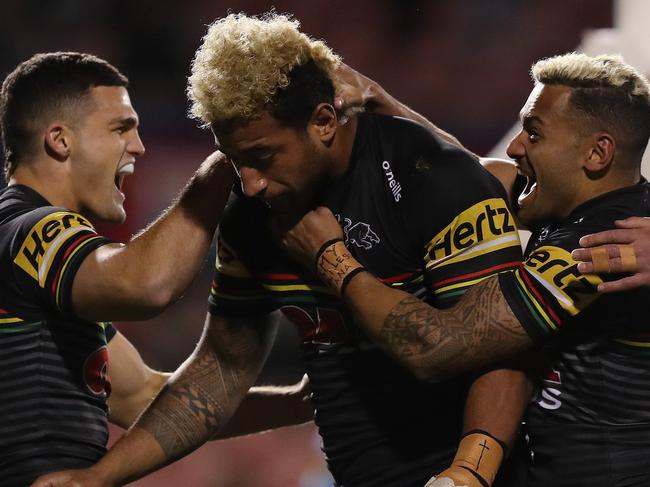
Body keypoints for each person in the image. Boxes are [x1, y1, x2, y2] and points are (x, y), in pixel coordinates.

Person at [31, 13, 529, 487]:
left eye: (262, 157)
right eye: (234, 160)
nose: (248, 183)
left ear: (323, 121)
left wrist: (467, 472)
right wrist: (102, 476)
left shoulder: (432, 179)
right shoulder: (252, 218)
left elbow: (496, 351)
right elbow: (222, 370)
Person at [281, 52, 650, 486]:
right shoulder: (578, 208)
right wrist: (382, 102)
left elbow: (442, 346)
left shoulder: (599, 250)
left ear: (596, 152)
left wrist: (333, 259)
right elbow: (468, 176)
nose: (514, 147)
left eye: (533, 133)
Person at [0, 51, 239, 485]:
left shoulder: (29, 264)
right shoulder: (32, 229)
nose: (138, 146)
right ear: (60, 139)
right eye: (120, 128)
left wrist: (308, 397)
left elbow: (151, 397)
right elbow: (145, 285)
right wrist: (224, 166)